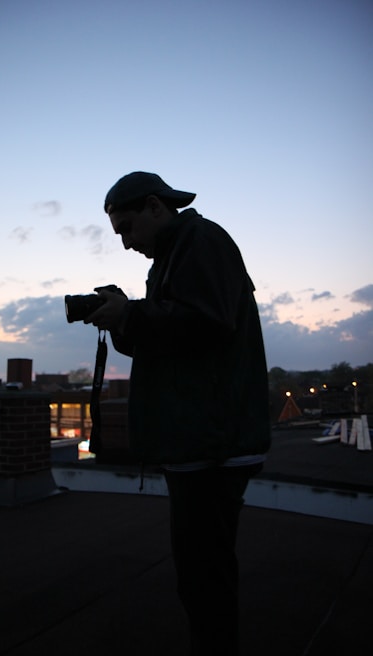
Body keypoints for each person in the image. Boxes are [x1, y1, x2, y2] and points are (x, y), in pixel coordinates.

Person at [84, 171, 271, 655]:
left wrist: (130, 315)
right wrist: (125, 318)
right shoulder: (177, 252)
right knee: (202, 572)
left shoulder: (201, 241)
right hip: (203, 440)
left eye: (126, 228)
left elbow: (205, 325)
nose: (125, 243)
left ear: (154, 206)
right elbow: (172, 339)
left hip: (211, 444)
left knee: (203, 575)